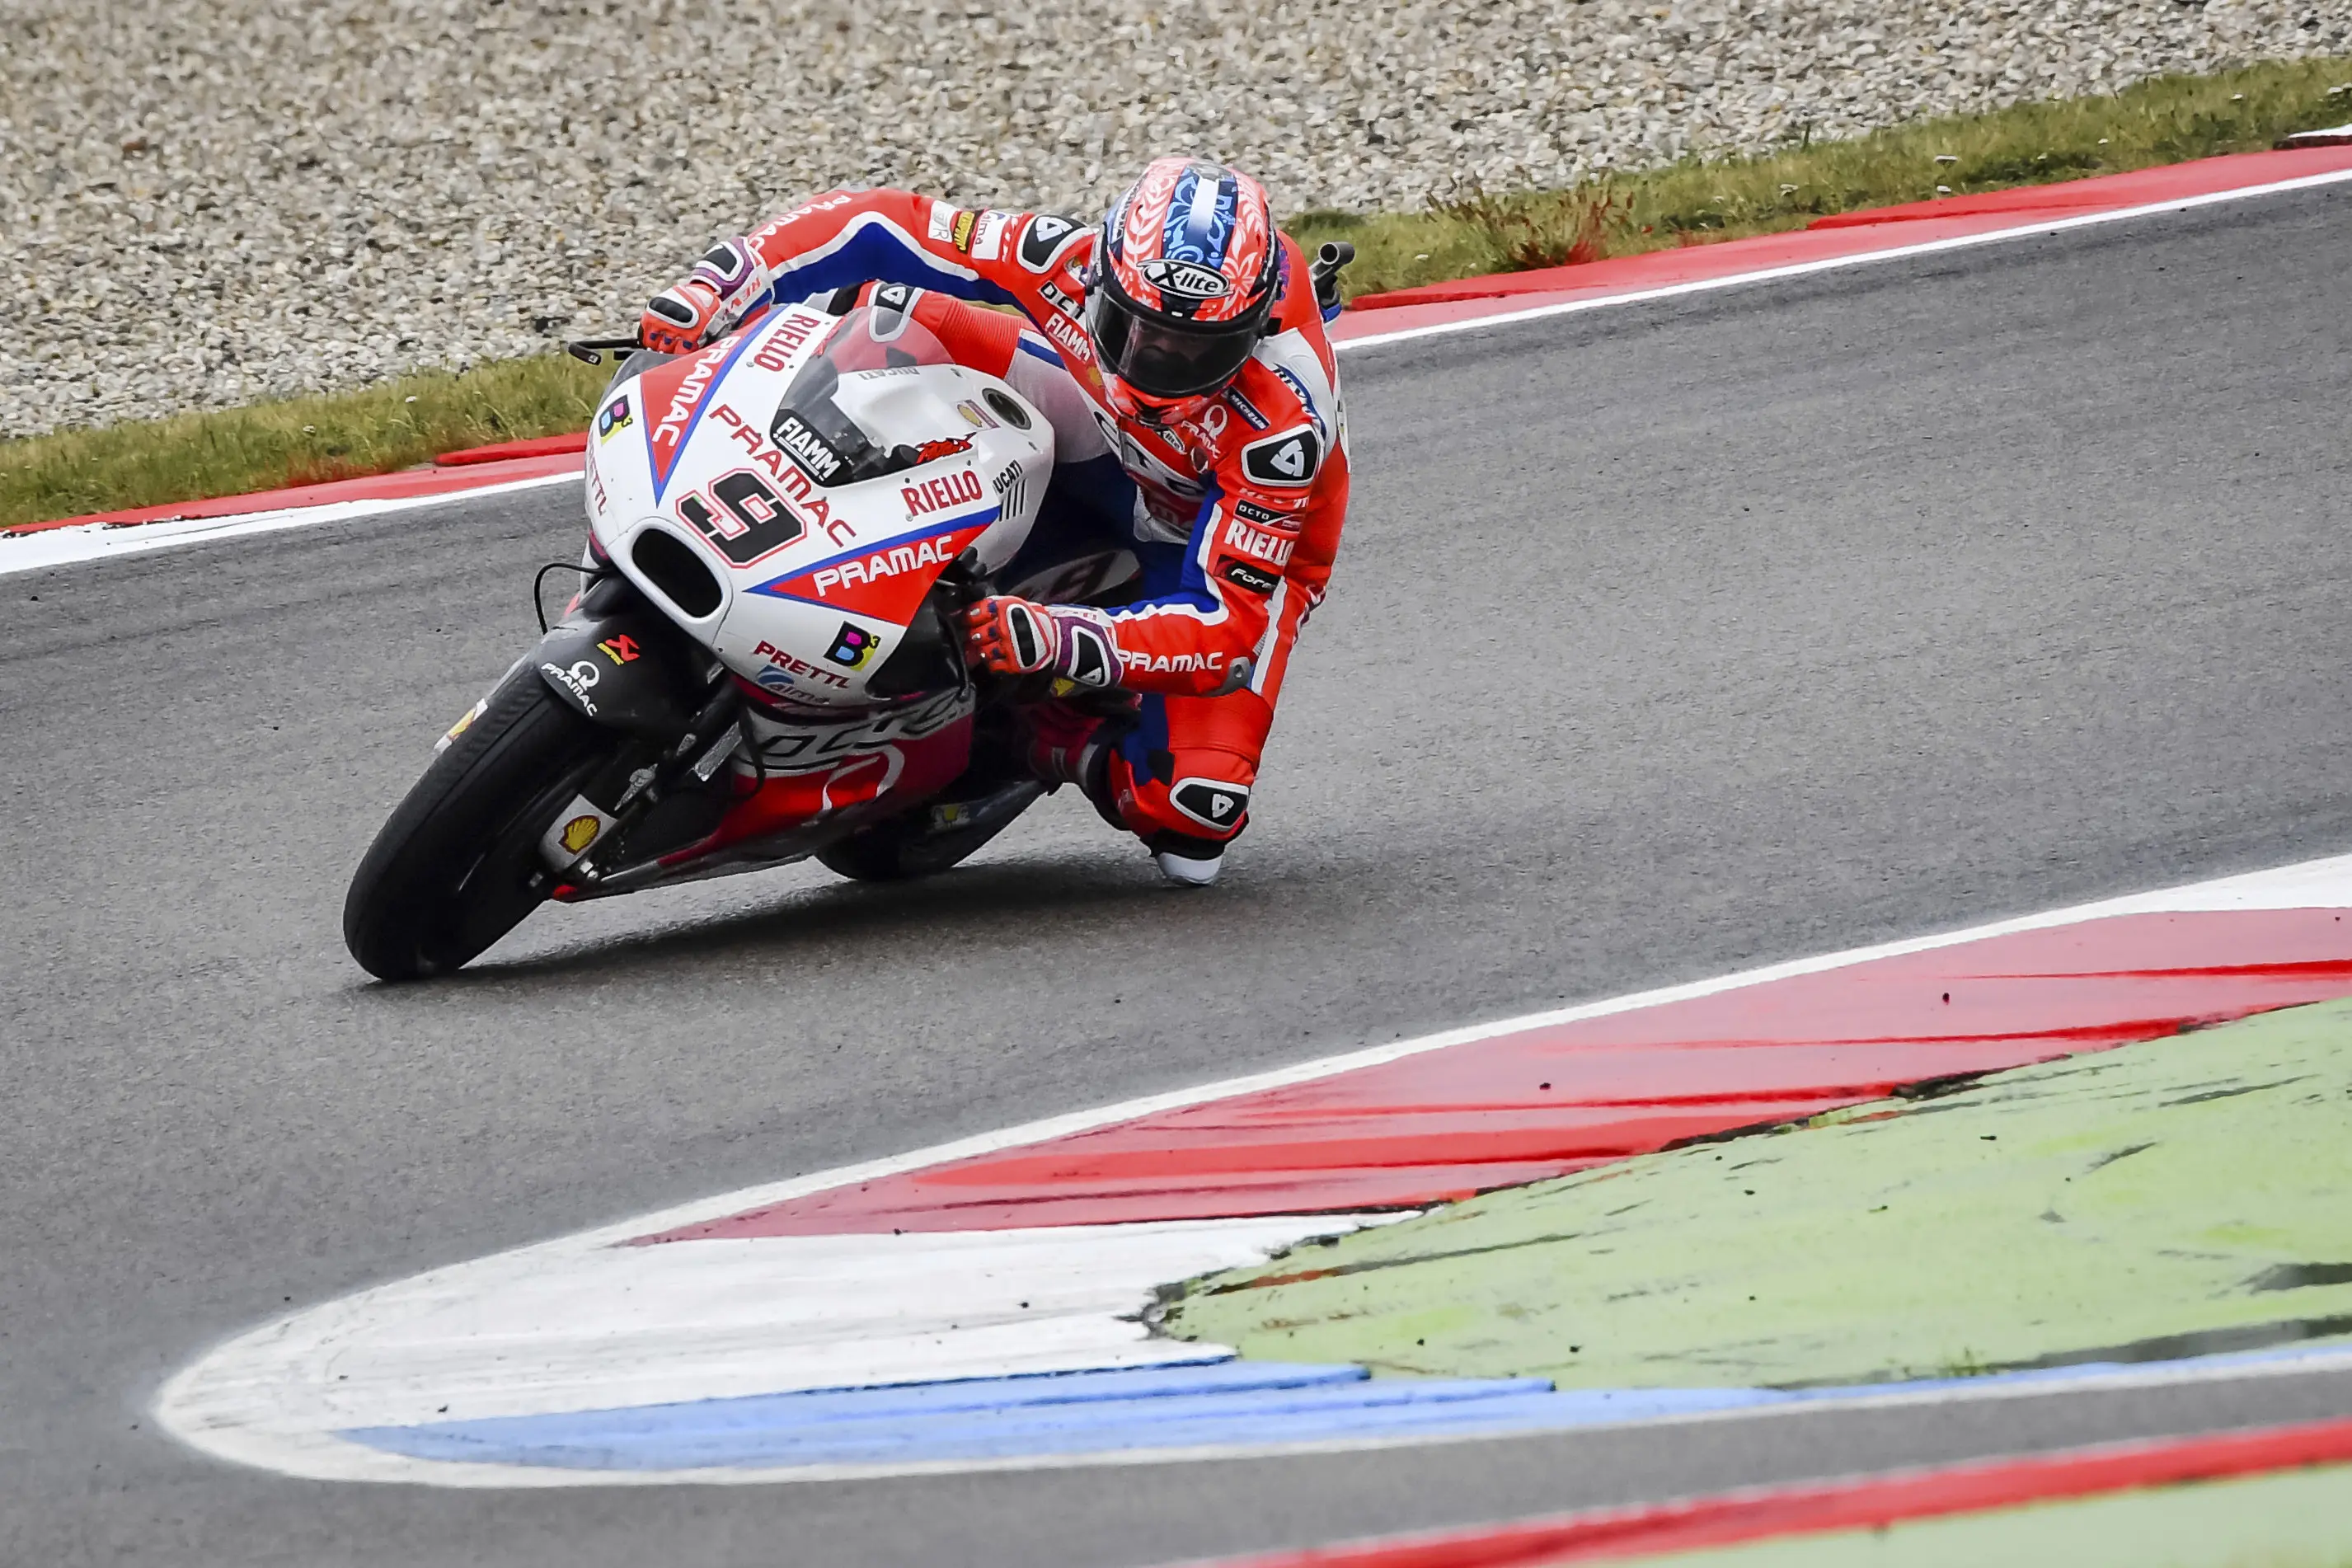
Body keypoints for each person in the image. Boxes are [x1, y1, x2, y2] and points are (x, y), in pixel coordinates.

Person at [637, 158, 1350, 886]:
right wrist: (723, 283)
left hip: (1202, 528)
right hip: (1096, 425)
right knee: (884, 310)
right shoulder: (1066, 261)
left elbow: (1226, 630)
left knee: (1192, 817)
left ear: (1253, 334)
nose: (1154, 365)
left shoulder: (1279, 431)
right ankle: (757, 480)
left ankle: (1044, 735)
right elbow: (889, 222)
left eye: (1197, 351)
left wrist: (1061, 641)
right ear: (1099, 278)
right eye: (1131, 329)